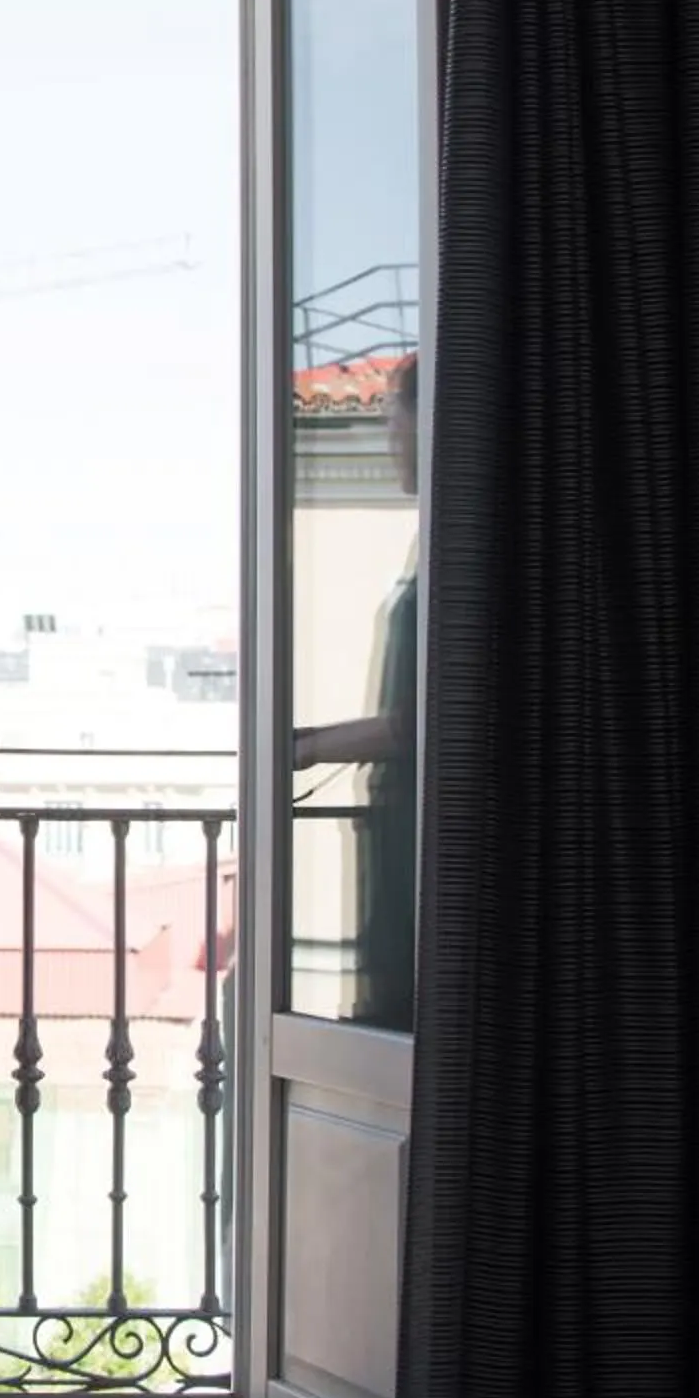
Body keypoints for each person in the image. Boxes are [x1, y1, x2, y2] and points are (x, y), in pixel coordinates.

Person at [291, 350, 418, 1028]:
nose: (389, 437)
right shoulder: (437, 543)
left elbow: (422, 722)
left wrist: (306, 747)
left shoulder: (460, 552)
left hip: (418, 860)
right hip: (401, 852)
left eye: (395, 421)